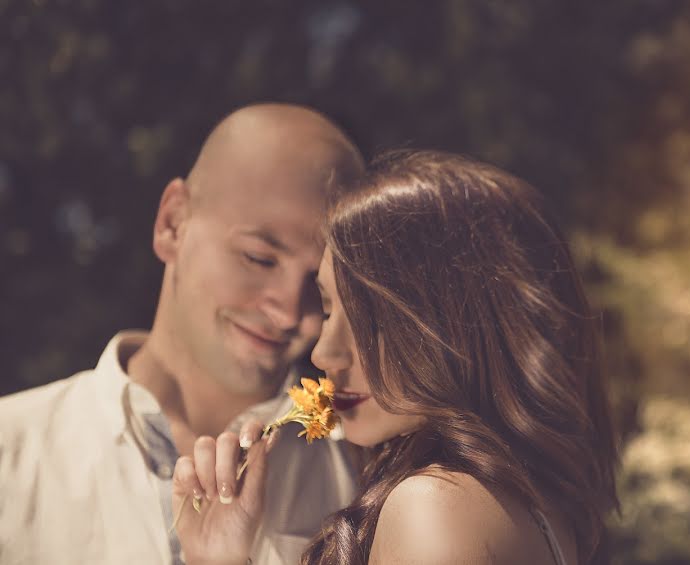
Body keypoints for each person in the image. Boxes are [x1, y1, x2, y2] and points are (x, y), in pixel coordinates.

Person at [173, 150, 620, 564]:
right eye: (329, 310)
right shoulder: (526, 505)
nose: (325, 352)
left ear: (459, 322)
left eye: (373, 322)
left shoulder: (436, 507)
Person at [0, 104, 365, 564]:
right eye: (259, 258)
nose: (290, 311)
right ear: (172, 223)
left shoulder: (365, 477)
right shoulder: (10, 452)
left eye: (319, 284)